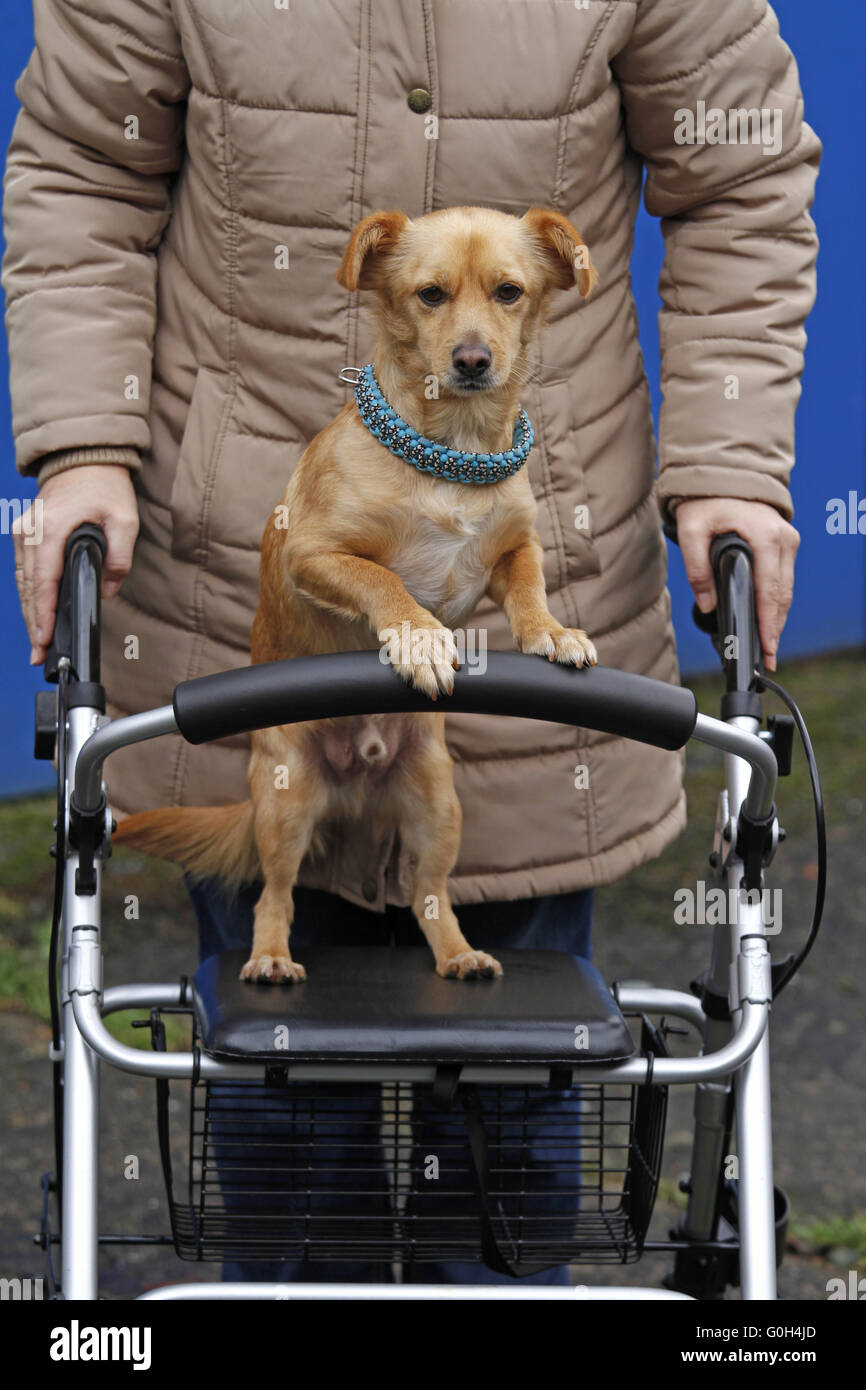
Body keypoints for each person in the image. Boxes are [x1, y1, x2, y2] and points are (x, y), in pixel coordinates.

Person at [5, 0, 818, 1286]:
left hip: (537, 611)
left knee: (519, 1078)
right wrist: (82, 442)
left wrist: (729, 461)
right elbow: (84, 170)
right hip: (245, 574)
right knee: (275, 1086)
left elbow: (741, 173)